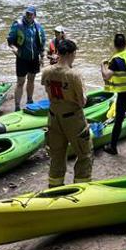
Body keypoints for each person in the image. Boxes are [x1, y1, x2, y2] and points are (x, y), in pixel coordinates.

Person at [41, 39, 92, 187]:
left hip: (53, 116)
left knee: (57, 154)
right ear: (71, 53)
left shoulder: (47, 71)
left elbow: (48, 92)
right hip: (73, 118)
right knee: (84, 153)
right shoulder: (73, 75)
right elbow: (82, 102)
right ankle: (81, 186)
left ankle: (55, 186)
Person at [7, 6, 47, 112]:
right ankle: (17, 106)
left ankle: (29, 100)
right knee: (20, 82)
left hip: (34, 58)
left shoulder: (38, 26)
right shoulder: (18, 25)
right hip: (22, 58)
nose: (29, 16)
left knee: (31, 79)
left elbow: (42, 41)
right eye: (27, 14)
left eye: (31, 14)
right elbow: (10, 41)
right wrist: (14, 49)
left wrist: (42, 56)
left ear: (35, 15)